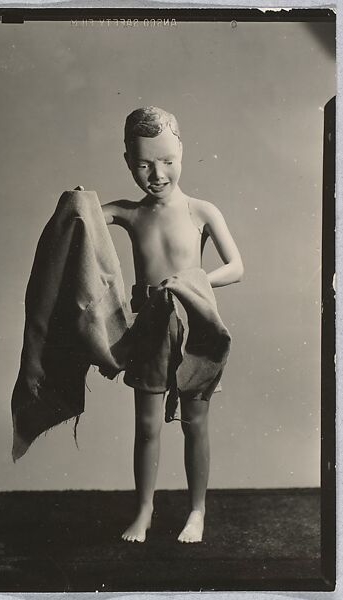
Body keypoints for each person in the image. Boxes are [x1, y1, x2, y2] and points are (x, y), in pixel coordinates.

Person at [99, 106, 244, 544]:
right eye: (143, 164)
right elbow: (81, 216)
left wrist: (195, 280)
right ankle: (144, 510)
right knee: (147, 425)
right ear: (127, 161)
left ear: (182, 152)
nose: (156, 173)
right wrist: (78, 200)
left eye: (166, 161)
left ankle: (196, 511)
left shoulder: (201, 211)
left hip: (193, 326)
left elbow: (236, 266)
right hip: (148, 329)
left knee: (194, 422)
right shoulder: (129, 213)